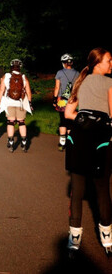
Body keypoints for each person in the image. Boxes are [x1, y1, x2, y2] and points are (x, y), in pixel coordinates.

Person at [63, 47, 112, 254]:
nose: (111, 64)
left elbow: (68, 113)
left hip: (79, 137)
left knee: (77, 189)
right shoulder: (110, 83)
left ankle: (74, 238)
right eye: (109, 60)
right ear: (97, 63)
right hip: (100, 139)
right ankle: (107, 237)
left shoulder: (80, 81)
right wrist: (100, 123)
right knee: (102, 188)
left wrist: (85, 118)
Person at [0, 59, 32, 152]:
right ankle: (24, 142)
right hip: (21, 103)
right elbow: (28, 91)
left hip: (9, 102)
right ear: (20, 67)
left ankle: (11, 141)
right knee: (21, 122)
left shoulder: (7, 76)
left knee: (11, 122)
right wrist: (29, 102)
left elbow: (1, 89)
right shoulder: (24, 77)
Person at [53, 54, 79, 151]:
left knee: (63, 120)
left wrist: (55, 99)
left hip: (62, 100)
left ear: (63, 63)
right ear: (71, 62)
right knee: (70, 122)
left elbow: (57, 87)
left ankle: (62, 142)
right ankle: (70, 142)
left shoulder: (59, 73)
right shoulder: (77, 73)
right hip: (73, 99)